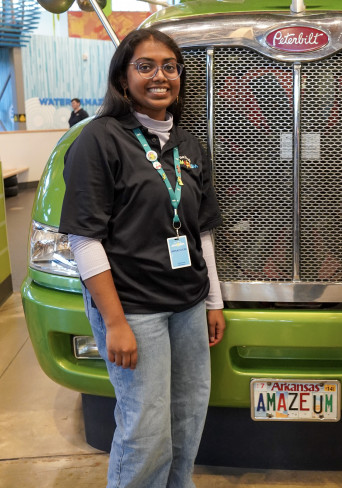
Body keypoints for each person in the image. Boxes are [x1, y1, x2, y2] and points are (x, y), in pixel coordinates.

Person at [59, 28, 225, 488]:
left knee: (188, 415)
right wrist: (114, 323)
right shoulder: (100, 139)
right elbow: (83, 239)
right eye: (145, 66)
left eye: (169, 67)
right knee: (145, 426)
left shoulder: (188, 144)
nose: (160, 76)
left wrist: (214, 302)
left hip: (187, 305)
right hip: (134, 309)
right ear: (122, 77)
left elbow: (200, 233)